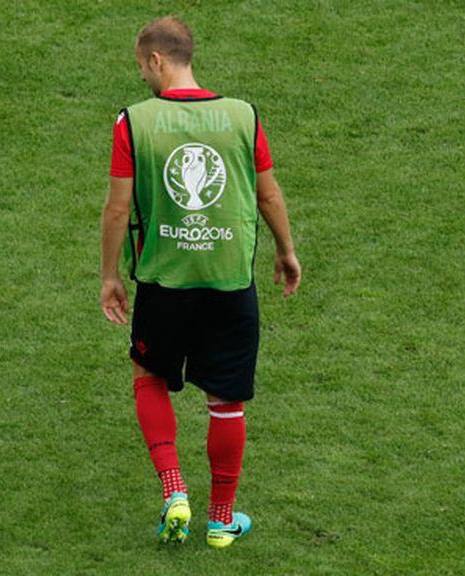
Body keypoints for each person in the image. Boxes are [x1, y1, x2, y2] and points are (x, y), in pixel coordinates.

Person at [100, 16, 301, 549]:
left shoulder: (133, 122)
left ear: (157, 60)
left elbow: (118, 209)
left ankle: (174, 489)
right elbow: (269, 196)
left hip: (163, 280)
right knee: (226, 399)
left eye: (141, 66)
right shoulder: (241, 115)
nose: (142, 76)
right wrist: (286, 250)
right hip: (229, 282)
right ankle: (220, 520)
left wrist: (109, 276)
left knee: (148, 372)